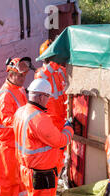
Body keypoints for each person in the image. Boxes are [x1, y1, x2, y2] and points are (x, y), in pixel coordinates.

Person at [13, 78, 74, 196]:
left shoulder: (21, 112)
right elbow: (60, 140)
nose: (48, 101)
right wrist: (68, 128)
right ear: (41, 97)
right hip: (42, 170)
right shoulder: (39, 118)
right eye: (47, 97)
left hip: (28, 168)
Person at [0, 57, 32, 196]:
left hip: (15, 139)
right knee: (8, 176)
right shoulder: (5, 94)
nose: (23, 78)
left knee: (20, 172)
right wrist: (26, 122)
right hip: (6, 142)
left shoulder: (19, 89)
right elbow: (7, 120)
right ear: (11, 73)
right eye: (19, 75)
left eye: (24, 75)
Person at [35, 39, 69, 175]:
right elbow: (43, 75)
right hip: (49, 119)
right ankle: (55, 172)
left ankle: (60, 173)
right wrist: (55, 59)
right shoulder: (41, 73)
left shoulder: (60, 71)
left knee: (62, 148)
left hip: (61, 116)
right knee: (53, 149)